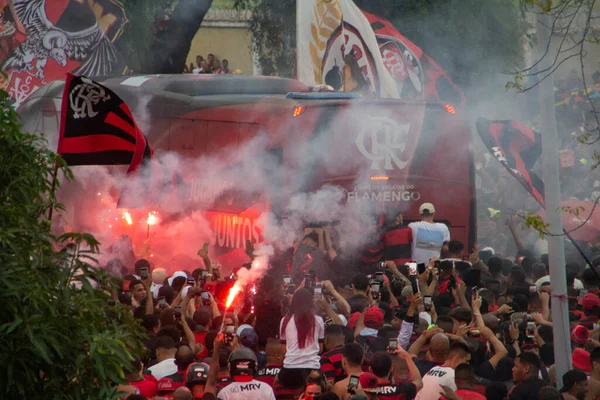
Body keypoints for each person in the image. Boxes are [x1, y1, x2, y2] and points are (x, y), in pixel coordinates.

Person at [280, 288, 325, 371]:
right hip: (312, 368)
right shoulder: (319, 320)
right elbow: (320, 349)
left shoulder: (285, 320)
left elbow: (284, 350)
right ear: (311, 303)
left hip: (289, 367)